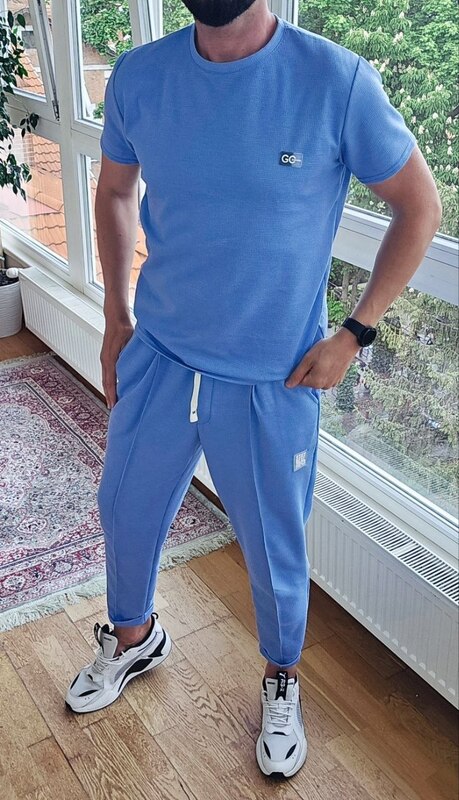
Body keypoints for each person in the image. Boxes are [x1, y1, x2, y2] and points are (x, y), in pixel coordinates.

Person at [65, 0, 441, 779]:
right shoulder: (141, 75)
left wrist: (355, 332)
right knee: (125, 509)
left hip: (273, 375)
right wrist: (115, 316)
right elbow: (114, 192)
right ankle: (133, 639)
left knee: (274, 550)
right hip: (161, 355)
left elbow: (419, 206)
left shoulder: (335, 81)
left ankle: (280, 678)